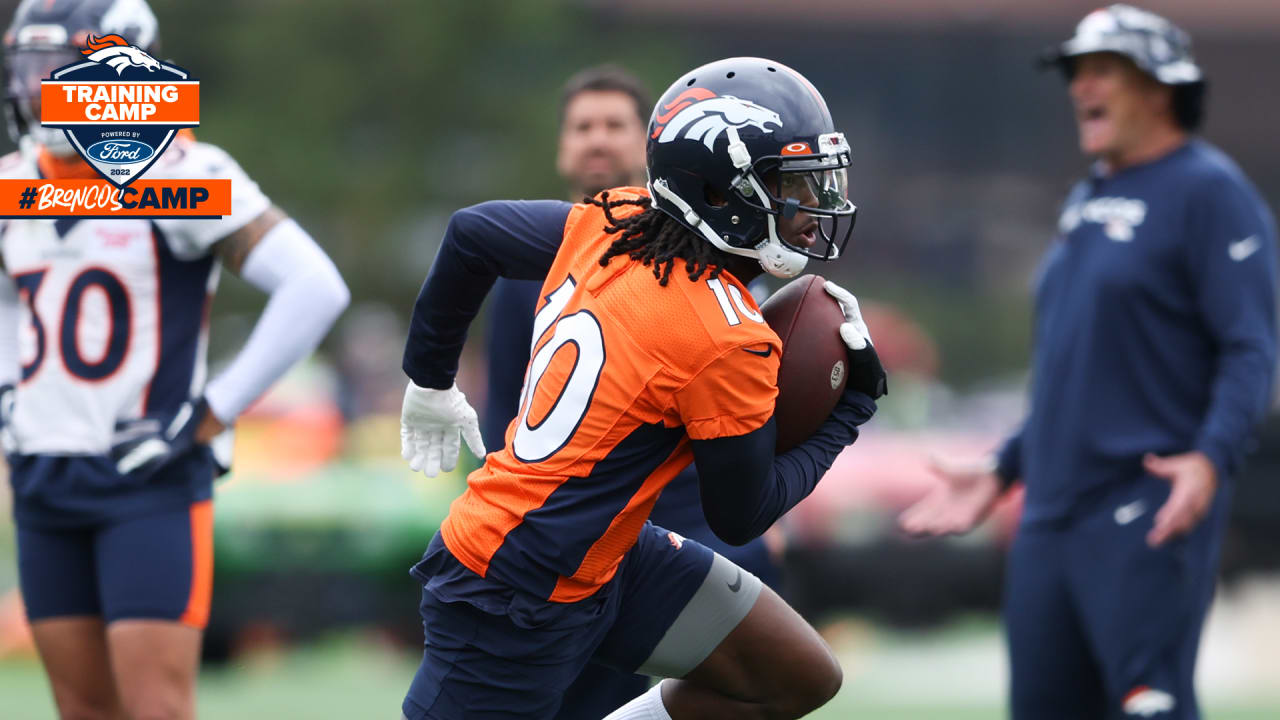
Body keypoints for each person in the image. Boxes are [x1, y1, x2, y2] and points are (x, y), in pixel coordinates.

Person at [399, 56, 885, 720]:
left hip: (611, 550)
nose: (816, 208)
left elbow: (471, 234)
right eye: (792, 185)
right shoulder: (725, 335)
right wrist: (848, 411)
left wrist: (429, 380)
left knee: (794, 675)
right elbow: (741, 514)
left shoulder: (613, 223)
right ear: (719, 192)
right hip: (509, 588)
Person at [900, 6, 1277, 719]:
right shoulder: (1087, 198)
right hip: (1048, 516)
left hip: (1144, 507)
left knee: (1148, 708)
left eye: (1102, 70)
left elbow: (1250, 346)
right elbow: (1080, 372)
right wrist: (1006, 466)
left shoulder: (1211, 192)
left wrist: (1211, 458)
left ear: (1161, 88)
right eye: (1076, 72)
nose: (1080, 87)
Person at [0, 1, 350, 719]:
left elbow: (314, 287)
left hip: (146, 477)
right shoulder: (14, 179)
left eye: (56, 69)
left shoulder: (178, 168)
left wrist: (214, 411)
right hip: (44, 475)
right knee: (80, 710)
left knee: (156, 709)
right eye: (28, 68)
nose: (35, 88)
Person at [481, 64, 785, 720]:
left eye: (614, 125)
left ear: (651, 142)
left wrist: (769, 508)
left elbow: (756, 390)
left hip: (694, 523)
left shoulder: (720, 253)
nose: (596, 140)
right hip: (574, 529)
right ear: (561, 147)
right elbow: (502, 408)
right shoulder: (521, 264)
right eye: (581, 126)